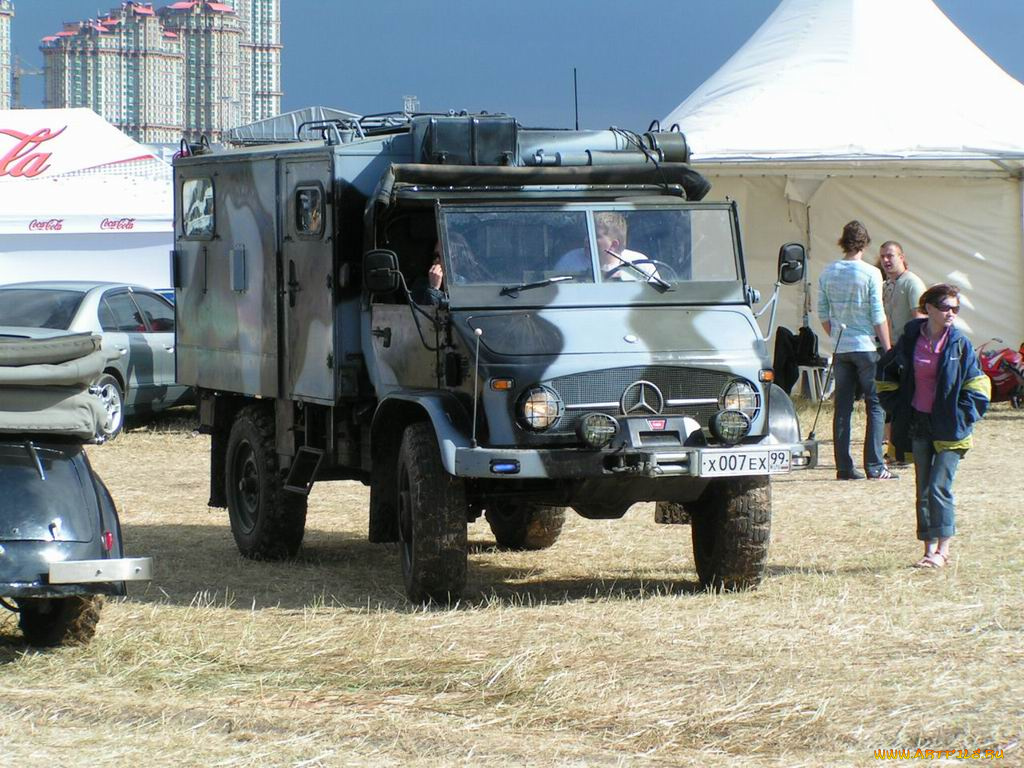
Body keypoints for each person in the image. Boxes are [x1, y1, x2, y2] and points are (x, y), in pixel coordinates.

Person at [877, 284, 990, 568]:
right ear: (928, 308)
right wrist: (896, 408)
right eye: (945, 307)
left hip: (951, 427)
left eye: (956, 308)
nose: (951, 313)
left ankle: (943, 549)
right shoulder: (910, 339)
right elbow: (886, 374)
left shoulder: (960, 344)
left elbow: (978, 387)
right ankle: (928, 550)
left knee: (940, 486)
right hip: (918, 423)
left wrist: (963, 416)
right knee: (923, 488)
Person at [817, 220, 894, 480]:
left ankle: (844, 467)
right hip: (866, 347)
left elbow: (823, 313)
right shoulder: (872, 274)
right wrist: (888, 347)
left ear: (843, 241)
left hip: (841, 347)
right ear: (865, 243)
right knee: (875, 405)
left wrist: (837, 334)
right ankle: (874, 465)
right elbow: (877, 314)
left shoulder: (828, 272)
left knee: (843, 408)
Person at [878, 240, 926, 464]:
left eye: (891, 256)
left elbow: (920, 319)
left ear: (902, 257)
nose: (886, 260)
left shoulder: (912, 283)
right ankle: (892, 450)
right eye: (883, 257)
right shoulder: (889, 284)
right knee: (891, 403)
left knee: (906, 403)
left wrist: (913, 351)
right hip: (894, 351)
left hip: (909, 352)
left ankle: (907, 451)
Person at [556, 212, 655, 281]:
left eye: (595, 236)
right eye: (587, 234)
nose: (587, 240)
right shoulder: (569, 262)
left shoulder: (640, 264)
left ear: (614, 245)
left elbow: (655, 297)